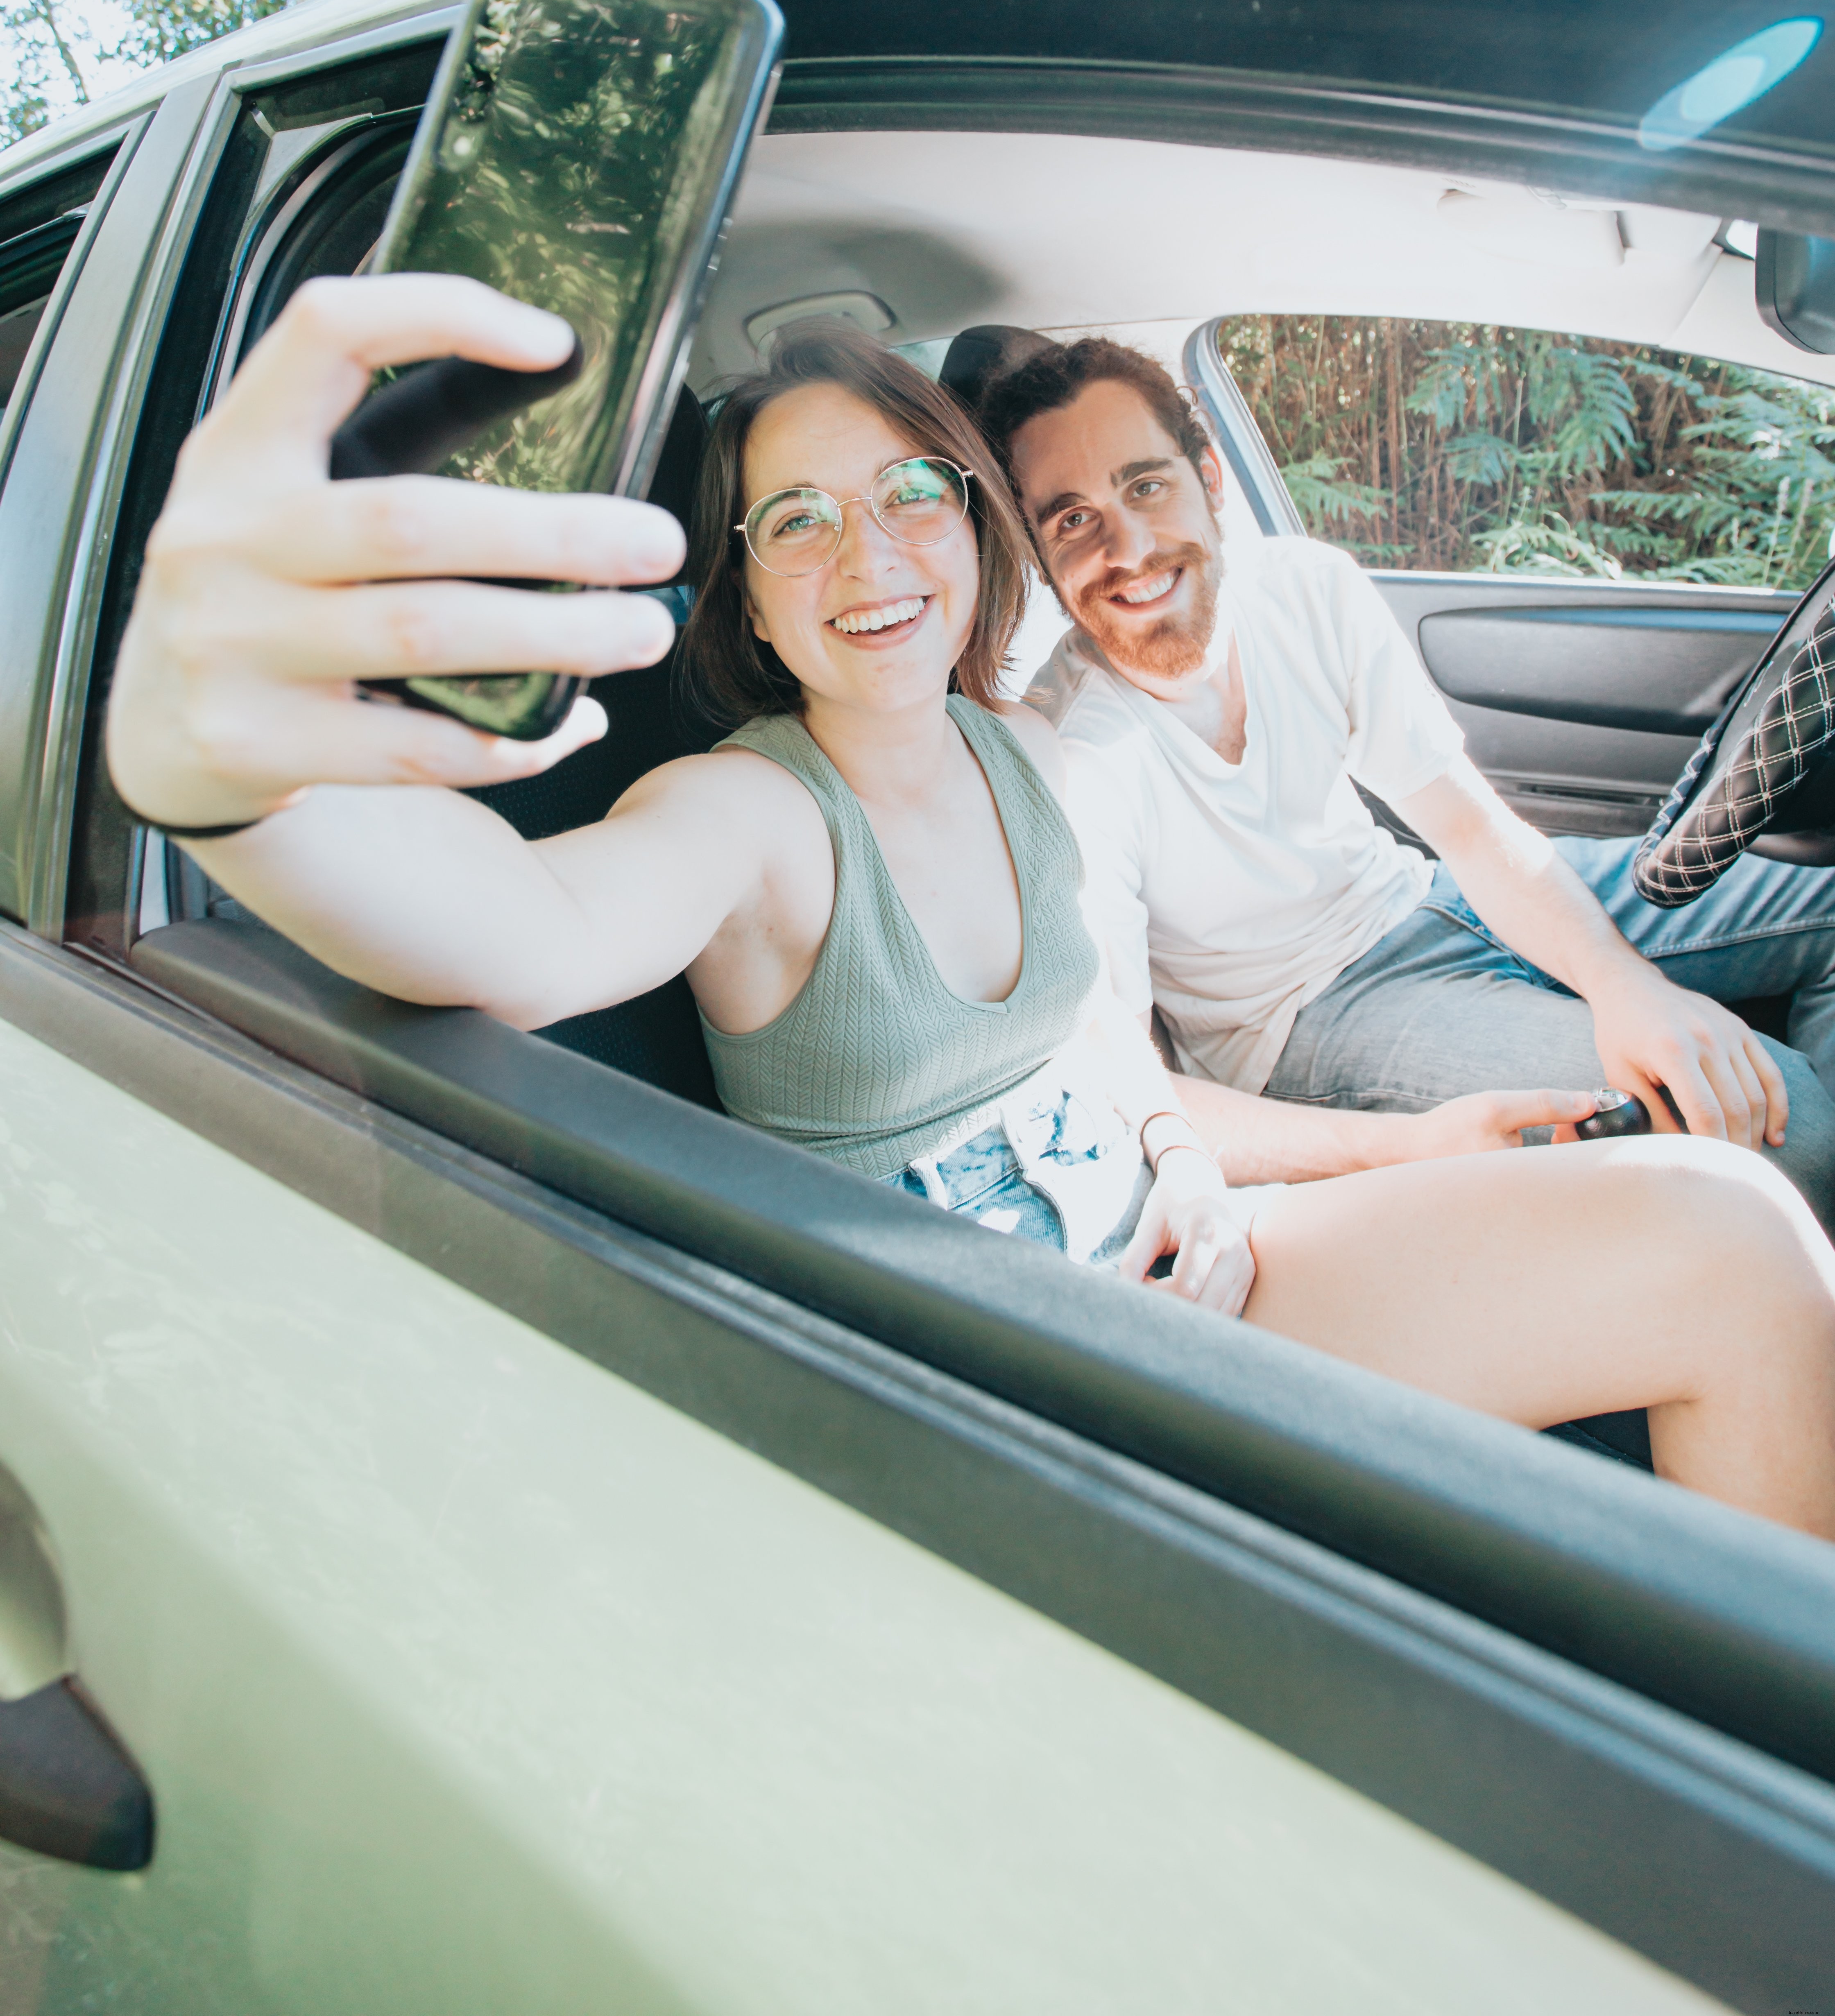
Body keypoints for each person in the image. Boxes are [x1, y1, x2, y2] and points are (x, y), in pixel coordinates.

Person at [106, 278, 1835, 1535]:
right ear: (753, 608)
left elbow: (1115, 1074)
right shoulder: (747, 814)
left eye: (910, 494)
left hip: (1177, 1277)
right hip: (996, 1391)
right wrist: (223, 767)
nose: (871, 559)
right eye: (798, 525)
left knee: (1731, 1235)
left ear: (967, 521)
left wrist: (1405, 1142)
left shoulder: (1017, 749)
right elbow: (514, 927)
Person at [975, 334, 1835, 1225]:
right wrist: (1404, 1148)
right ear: (1041, 557)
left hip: (1427, 895)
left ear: (1210, 479)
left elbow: (1466, 828)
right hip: (1308, 1021)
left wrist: (1626, 989)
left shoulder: (1307, 589)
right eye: (1071, 520)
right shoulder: (1076, 756)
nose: (1129, 547)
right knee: (1789, 1132)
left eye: (1145, 485)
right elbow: (1123, 1087)